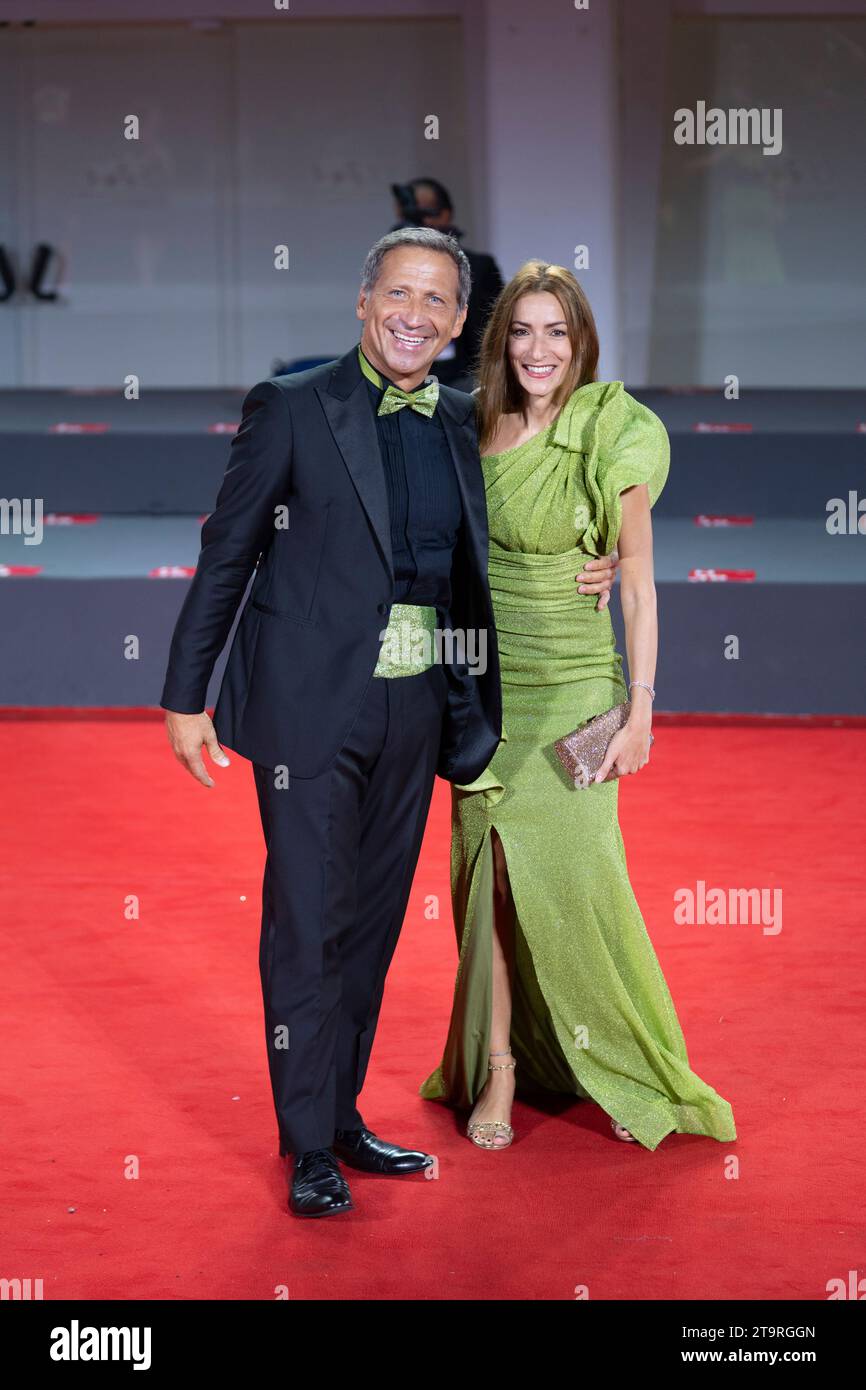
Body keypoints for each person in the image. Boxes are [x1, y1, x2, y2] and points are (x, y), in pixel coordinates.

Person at [159, 226, 620, 1215]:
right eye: (399, 295)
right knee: (308, 921)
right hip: (308, 709)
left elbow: (529, 522)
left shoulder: (463, 419)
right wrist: (183, 693)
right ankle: (304, 1146)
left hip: (417, 706)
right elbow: (228, 550)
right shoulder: (289, 407)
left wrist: (607, 557)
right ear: (363, 303)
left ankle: (339, 1117)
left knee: (368, 923)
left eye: (437, 302)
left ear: (459, 324)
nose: (416, 315)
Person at [421, 261, 737, 1153]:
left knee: (578, 880)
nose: (538, 349)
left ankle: (612, 1050)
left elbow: (638, 585)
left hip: (574, 692)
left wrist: (640, 709)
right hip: (483, 689)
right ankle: (500, 1065)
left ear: (581, 341)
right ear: (499, 342)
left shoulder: (612, 428)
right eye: (521, 331)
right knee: (488, 885)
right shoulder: (468, 422)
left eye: (555, 331)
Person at [391, 177, 504, 389]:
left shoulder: (479, 267)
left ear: (445, 214)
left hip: (462, 380)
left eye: (424, 214)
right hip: (401, 379)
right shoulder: (391, 265)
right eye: (409, 216)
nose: (418, 223)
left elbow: (494, 334)